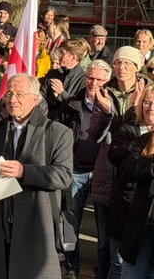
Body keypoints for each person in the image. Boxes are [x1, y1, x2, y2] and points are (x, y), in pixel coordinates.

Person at [0, 73, 73, 279]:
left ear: (34, 99)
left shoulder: (57, 132)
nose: (12, 99)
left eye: (19, 94)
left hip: (35, 226)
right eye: (9, 94)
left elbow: (64, 175)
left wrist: (24, 171)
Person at [90, 46, 148, 279]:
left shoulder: (147, 92)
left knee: (130, 245)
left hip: (134, 178)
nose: (121, 67)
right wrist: (105, 113)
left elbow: (143, 132)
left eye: (126, 63)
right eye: (117, 63)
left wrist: (136, 108)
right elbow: (94, 134)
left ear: (136, 67)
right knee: (104, 243)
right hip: (106, 172)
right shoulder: (105, 93)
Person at [58, 60, 113, 279]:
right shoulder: (72, 103)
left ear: (107, 80)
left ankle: (102, 270)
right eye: (90, 77)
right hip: (77, 170)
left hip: (103, 174)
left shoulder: (113, 104)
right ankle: (72, 269)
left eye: (99, 79)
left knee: (103, 231)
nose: (93, 83)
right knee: (70, 224)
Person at [116, 84, 154, 278]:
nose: (151, 108)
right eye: (147, 103)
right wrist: (151, 167)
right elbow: (127, 169)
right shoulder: (144, 140)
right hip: (141, 225)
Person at [40, 38, 88, 120]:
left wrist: (62, 93)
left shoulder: (84, 80)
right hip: (47, 123)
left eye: (62, 53)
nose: (59, 55)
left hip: (69, 128)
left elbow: (80, 108)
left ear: (73, 57)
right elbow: (41, 99)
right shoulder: (52, 74)